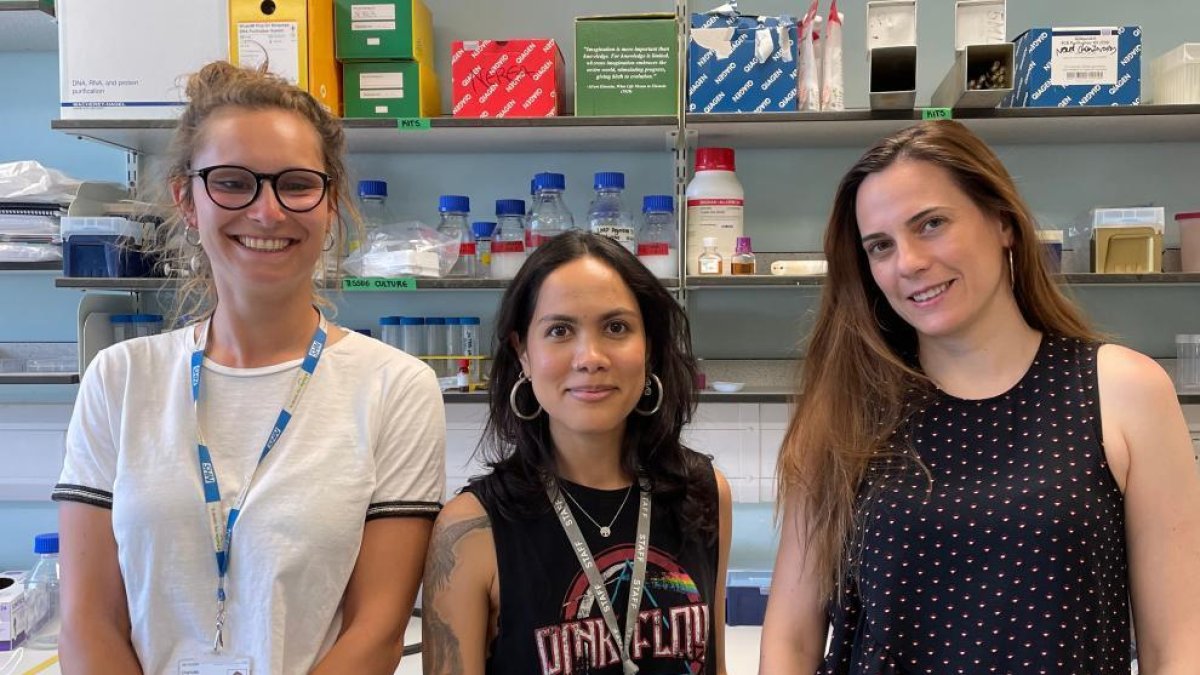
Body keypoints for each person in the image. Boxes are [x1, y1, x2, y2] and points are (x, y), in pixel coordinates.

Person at [760, 120, 1200, 673]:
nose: (909, 262)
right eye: (881, 246)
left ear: (1002, 223)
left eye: (932, 223)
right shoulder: (844, 413)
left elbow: (1177, 648)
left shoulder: (1123, 392)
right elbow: (792, 642)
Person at [53, 62, 446, 674]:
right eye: (233, 182)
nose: (267, 212)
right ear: (187, 199)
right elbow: (86, 621)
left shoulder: (395, 388)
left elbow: (376, 631)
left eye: (295, 184)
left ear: (329, 202)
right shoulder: (119, 380)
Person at [421, 230, 731, 674]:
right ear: (523, 353)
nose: (590, 357)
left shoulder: (704, 492)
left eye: (616, 327)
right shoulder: (471, 528)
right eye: (560, 330)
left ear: (650, 347)